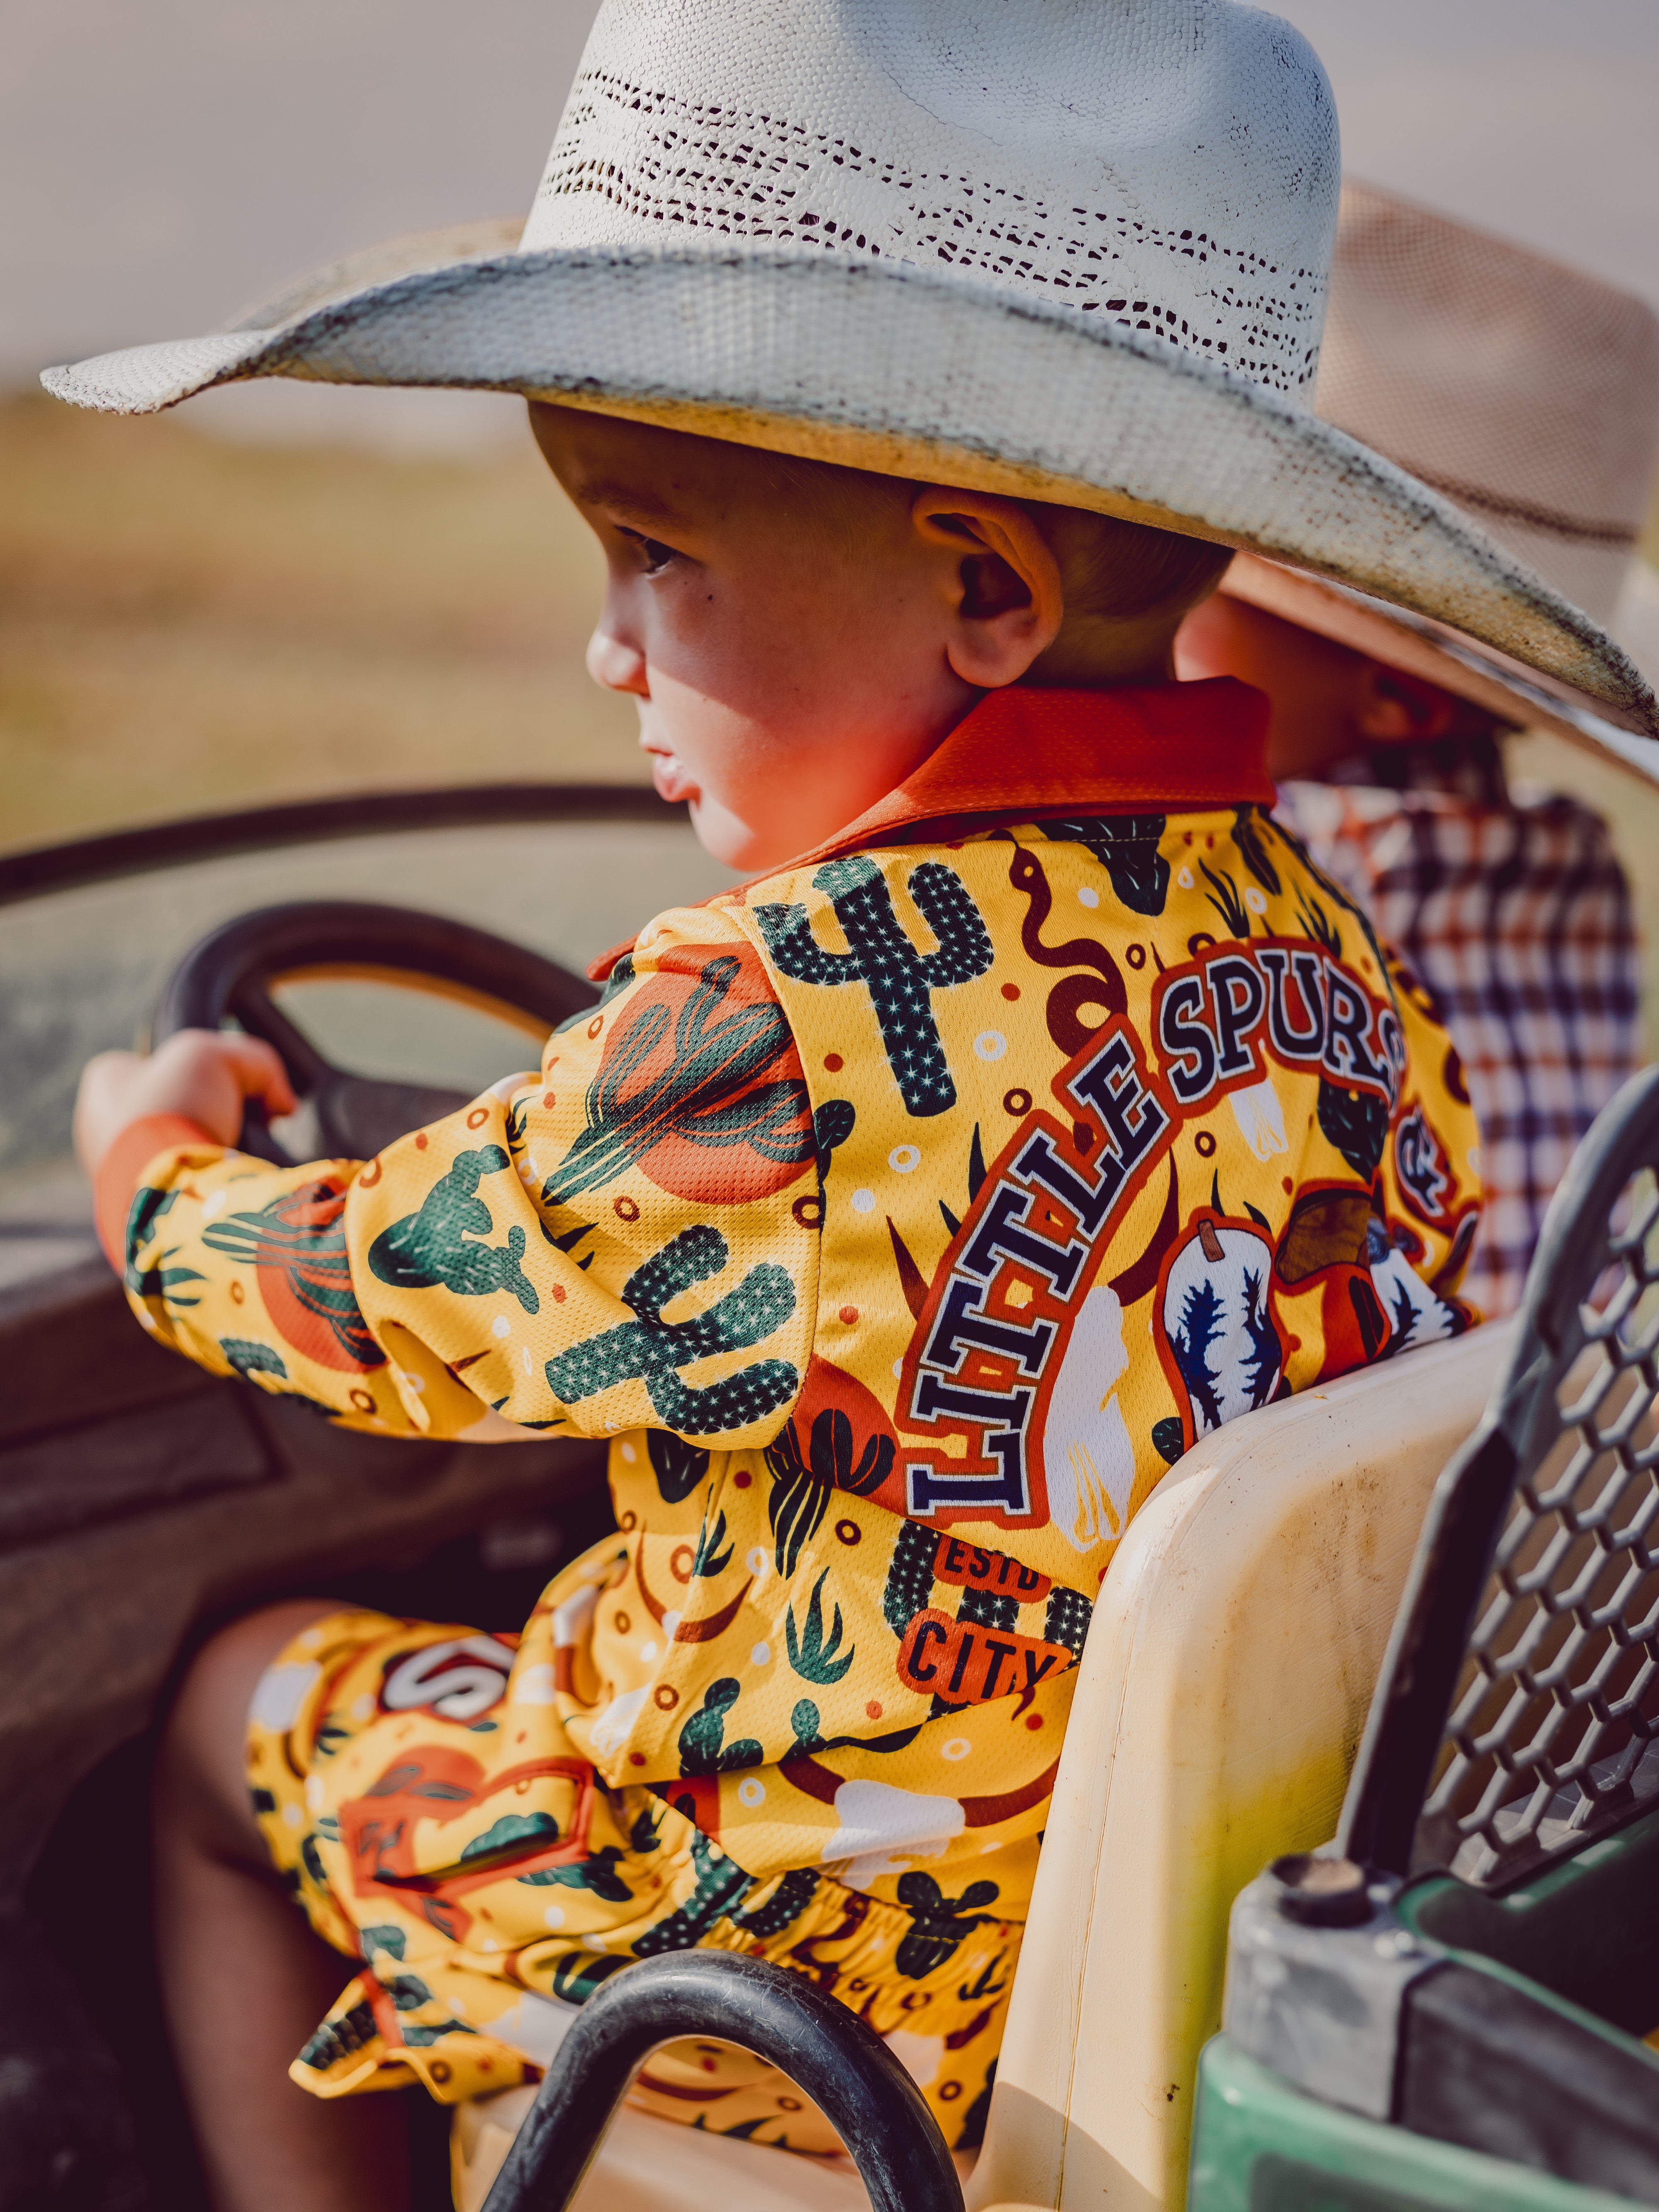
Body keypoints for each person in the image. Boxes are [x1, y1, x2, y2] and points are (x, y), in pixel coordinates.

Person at [48, 7, 1653, 2209]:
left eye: (652, 550)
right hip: (1155, 1936)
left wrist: (150, 1167)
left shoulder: (765, 1022)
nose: (608, 643)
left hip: (767, 1976)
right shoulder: (1334, 965)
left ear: (983, 585)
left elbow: (374, 1301)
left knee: (237, 1700)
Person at [1180, 183, 1659, 1314]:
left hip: (1369, 1419)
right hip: (1549, 1409)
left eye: (1202, 590)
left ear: (1396, 697)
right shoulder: (1578, 861)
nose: (1166, 629)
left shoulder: (1273, 862)